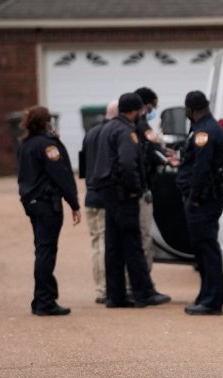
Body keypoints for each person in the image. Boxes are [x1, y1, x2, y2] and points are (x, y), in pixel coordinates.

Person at [91, 92, 171, 308]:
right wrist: (136, 187)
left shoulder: (106, 128)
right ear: (134, 111)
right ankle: (143, 293)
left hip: (108, 194)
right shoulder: (127, 131)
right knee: (133, 245)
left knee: (113, 247)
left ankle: (115, 296)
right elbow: (127, 164)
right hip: (124, 195)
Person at [16, 105, 81, 316]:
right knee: (46, 251)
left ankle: (41, 299)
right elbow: (61, 174)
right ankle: (45, 300)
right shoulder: (47, 145)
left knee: (41, 248)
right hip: (46, 204)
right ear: (45, 122)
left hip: (32, 203)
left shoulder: (25, 144)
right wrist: (74, 204)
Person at [175, 91, 223, 315]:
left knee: (207, 249)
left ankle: (212, 300)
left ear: (190, 110)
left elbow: (202, 168)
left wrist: (194, 197)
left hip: (203, 199)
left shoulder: (204, 131)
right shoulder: (205, 128)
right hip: (205, 197)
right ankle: (206, 294)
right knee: (202, 249)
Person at [133, 87, 176, 271]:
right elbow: (153, 150)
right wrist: (170, 160)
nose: (152, 110)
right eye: (151, 106)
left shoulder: (126, 125)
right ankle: (142, 283)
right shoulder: (141, 125)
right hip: (143, 187)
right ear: (144, 105)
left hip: (131, 188)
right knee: (144, 235)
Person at [81, 100, 118, 304]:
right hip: (105, 195)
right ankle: (106, 287)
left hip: (90, 195)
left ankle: (100, 287)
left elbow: (84, 165)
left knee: (96, 243)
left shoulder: (91, 133)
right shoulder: (114, 132)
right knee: (106, 241)